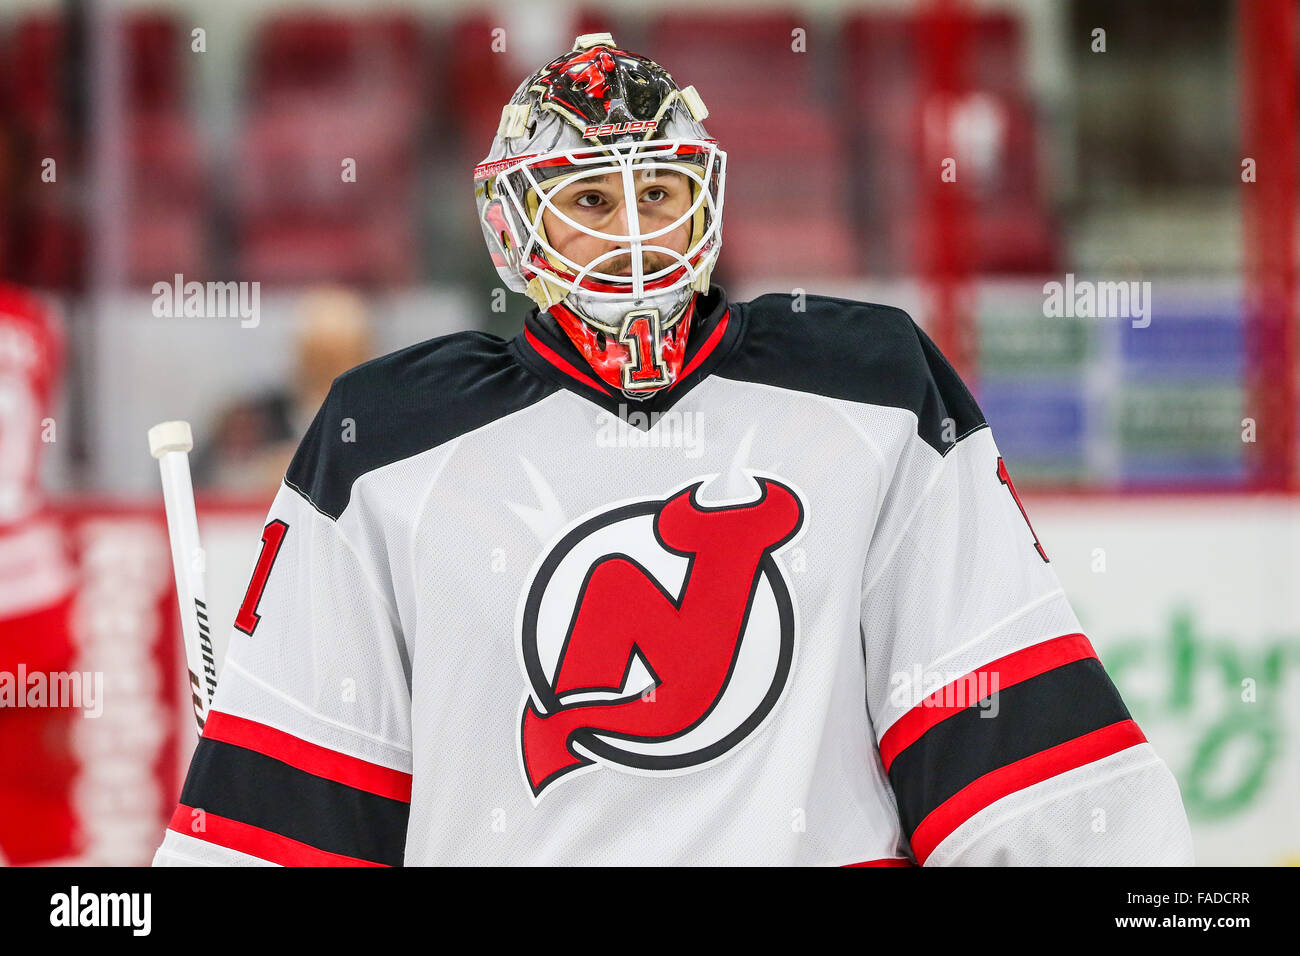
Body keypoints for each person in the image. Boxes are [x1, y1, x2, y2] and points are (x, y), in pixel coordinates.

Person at [154, 34, 1193, 866]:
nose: (636, 233)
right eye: (591, 202)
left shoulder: (874, 390)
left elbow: (1017, 761)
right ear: (516, 228)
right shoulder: (381, 442)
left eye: (658, 193)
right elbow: (290, 823)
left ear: (705, 198)